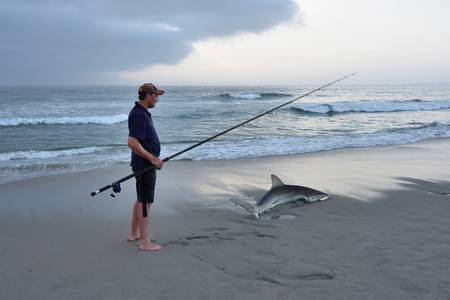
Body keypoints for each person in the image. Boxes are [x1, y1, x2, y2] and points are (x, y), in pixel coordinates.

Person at [126, 83, 165, 251]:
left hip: (143, 163)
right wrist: (152, 159)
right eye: (155, 95)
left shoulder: (141, 113)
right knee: (145, 202)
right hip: (144, 165)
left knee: (141, 199)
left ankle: (134, 233)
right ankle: (145, 243)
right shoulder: (140, 115)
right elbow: (132, 142)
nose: (157, 99)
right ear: (148, 96)